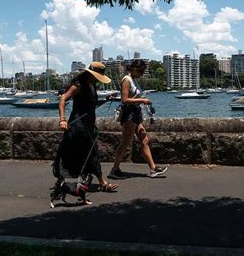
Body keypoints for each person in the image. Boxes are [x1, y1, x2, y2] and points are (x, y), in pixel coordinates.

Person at [52, 62, 118, 194]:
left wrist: (106, 100)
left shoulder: (92, 85)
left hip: (88, 124)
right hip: (78, 124)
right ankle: (102, 183)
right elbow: (63, 99)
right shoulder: (79, 85)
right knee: (92, 152)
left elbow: (90, 105)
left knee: (77, 153)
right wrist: (62, 120)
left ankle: (63, 182)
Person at [108, 59, 168, 179]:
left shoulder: (134, 80)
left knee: (144, 139)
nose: (141, 74)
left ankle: (153, 168)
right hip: (129, 113)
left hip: (135, 112)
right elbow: (124, 100)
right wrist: (142, 100)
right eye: (141, 71)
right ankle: (114, 170)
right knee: (125, 143)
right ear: (134, 69)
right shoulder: (127, 80)